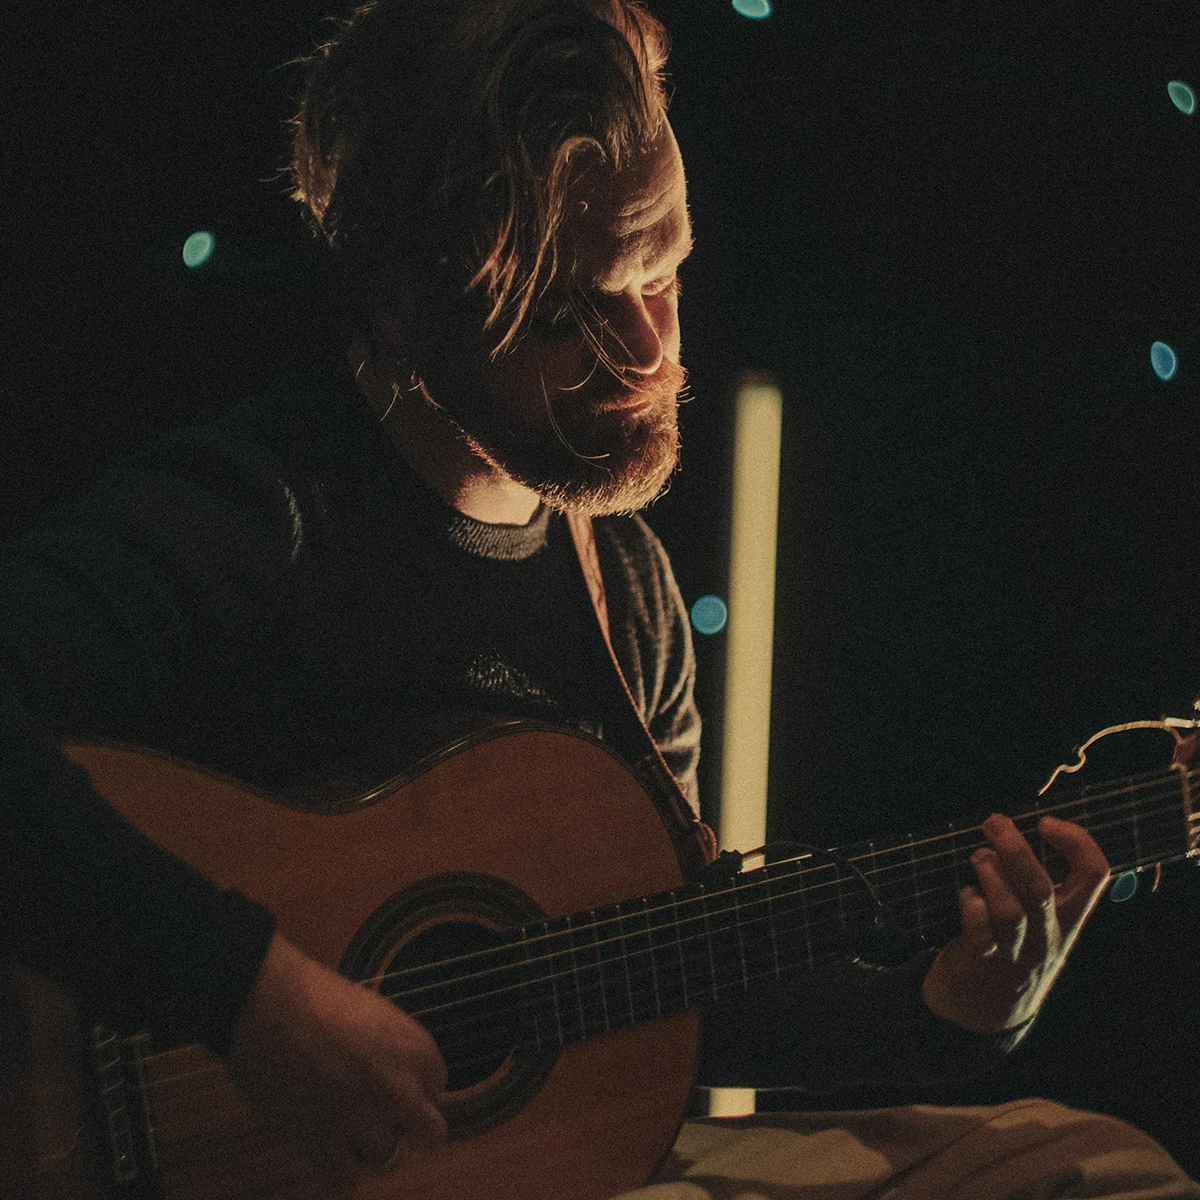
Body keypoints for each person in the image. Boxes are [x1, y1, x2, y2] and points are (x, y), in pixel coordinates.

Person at [0, 0, 1195, 1195]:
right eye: (569, 312)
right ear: (406, 303)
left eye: (664, 267)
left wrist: (947, 1015)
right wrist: (249, 997)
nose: (650, 349)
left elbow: (650, 999)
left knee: (1100, 1170)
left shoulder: (625, 596)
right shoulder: (258, 522)